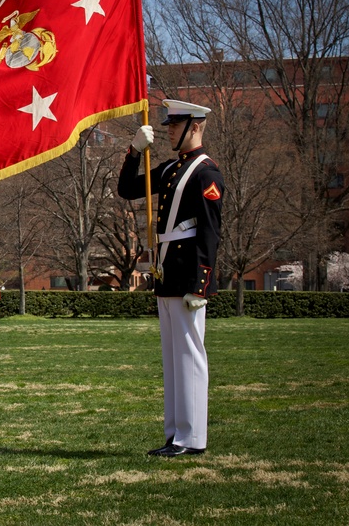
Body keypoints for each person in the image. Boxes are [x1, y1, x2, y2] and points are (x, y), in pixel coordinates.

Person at [117, 99, 224, 457]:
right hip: (167, 274)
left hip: (187, 278)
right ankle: (175, 434)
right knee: (173, 360)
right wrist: (134, 151)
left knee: (190, 357)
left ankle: (192, 438)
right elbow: (128, 190)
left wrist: (201, 285)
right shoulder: (170, 169)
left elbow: (209, 234)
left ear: (195, 126)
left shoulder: (206, 173)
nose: (168, 131)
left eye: (175, 125)